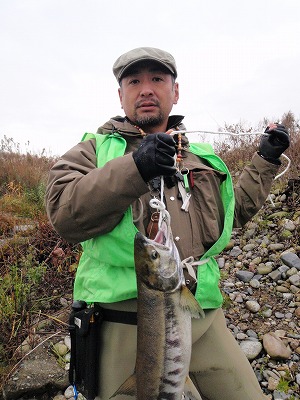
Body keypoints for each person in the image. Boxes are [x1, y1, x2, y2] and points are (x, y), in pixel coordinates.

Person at [45, 47, 290, 400]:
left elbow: (230, 216)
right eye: (134, 81)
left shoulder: (202, 157)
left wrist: (266, 160)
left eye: (157, 79)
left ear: (175, 92)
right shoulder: (93, 151)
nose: (146, 89)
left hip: (203, 315)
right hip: (124, 323)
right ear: (121, 94)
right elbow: (64, 215)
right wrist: (135, 169)